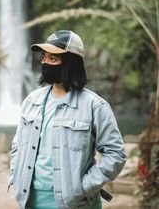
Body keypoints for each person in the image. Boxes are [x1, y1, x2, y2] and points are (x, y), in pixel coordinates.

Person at [8, 30, 126, 209]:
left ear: (71, 63)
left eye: (53, 59)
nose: (46, 63)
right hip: (30, 200)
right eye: (44, 58)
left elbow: (115, 154)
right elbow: (18, 145)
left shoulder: (94, 106)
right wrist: (15, 176)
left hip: (75, 204)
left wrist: (84, 188)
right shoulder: (31, 101)